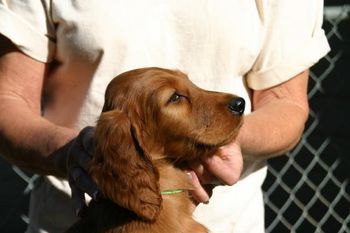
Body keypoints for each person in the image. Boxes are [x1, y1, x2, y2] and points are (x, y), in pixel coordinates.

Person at [0, 0, 330, 233]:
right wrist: (71, 152)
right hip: (77, 217)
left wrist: (224, 140)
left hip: (227, 222)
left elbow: (285, 101)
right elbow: (9, 98)